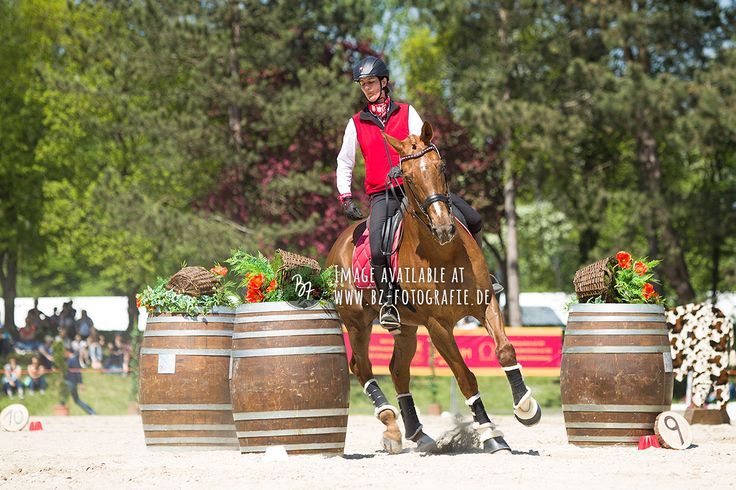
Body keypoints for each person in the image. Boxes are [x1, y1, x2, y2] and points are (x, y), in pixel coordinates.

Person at [335, 56, 483, 330]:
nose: (367, 88)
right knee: (378, 249)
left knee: (473, 219)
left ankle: (481, 280)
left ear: (384, 82)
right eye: (363, 84)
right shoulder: (355, 123)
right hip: (383, 195)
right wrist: (345, 197)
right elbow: (345, 161)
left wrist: (403, 168)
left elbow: (422, 146)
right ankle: (389, 303)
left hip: (418, 188)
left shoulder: (406, 111)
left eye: (370, 83)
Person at [64, 349, 95, 415]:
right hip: (70, 382)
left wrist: (81, 383)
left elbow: (78, 372)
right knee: (77, 400)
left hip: (71, 382)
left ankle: (92, 412)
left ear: (67, 351)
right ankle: (91, 412)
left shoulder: (73, 360)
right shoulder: (71, 360)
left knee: (67, 399)